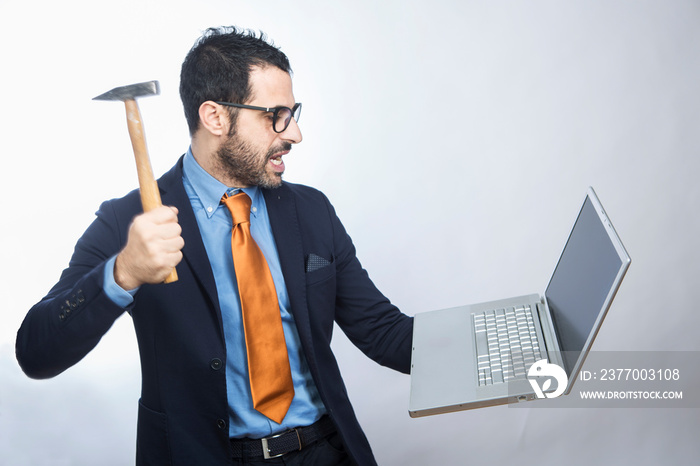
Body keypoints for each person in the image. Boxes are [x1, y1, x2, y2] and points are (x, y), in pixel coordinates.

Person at [15, 26, 413, 465]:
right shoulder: (129, 223)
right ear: (216, 117)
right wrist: (122, 272)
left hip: (326, 451)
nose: (294, 133)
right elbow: (36, 352)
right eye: (275, 115)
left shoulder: (311, 210)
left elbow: (382, 330)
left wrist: (484, 348)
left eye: (293, 112)